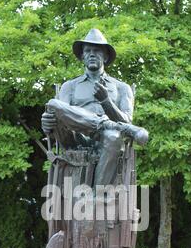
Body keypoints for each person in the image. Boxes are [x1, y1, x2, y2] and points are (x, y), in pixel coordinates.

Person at [41, 28, 148, 186]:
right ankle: (103, 124)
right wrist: (47, 124)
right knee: (53, 104)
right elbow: (60, 117)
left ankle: (97, 195)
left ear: (105, 56)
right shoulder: (69, 86)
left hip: (107, 142)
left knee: (113, 136)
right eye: (88, 50)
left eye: (97, 50)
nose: (92, 54)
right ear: (82, 56)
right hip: (73, 140)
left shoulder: (121, 88)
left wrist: (106, 102)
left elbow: (127, 123)